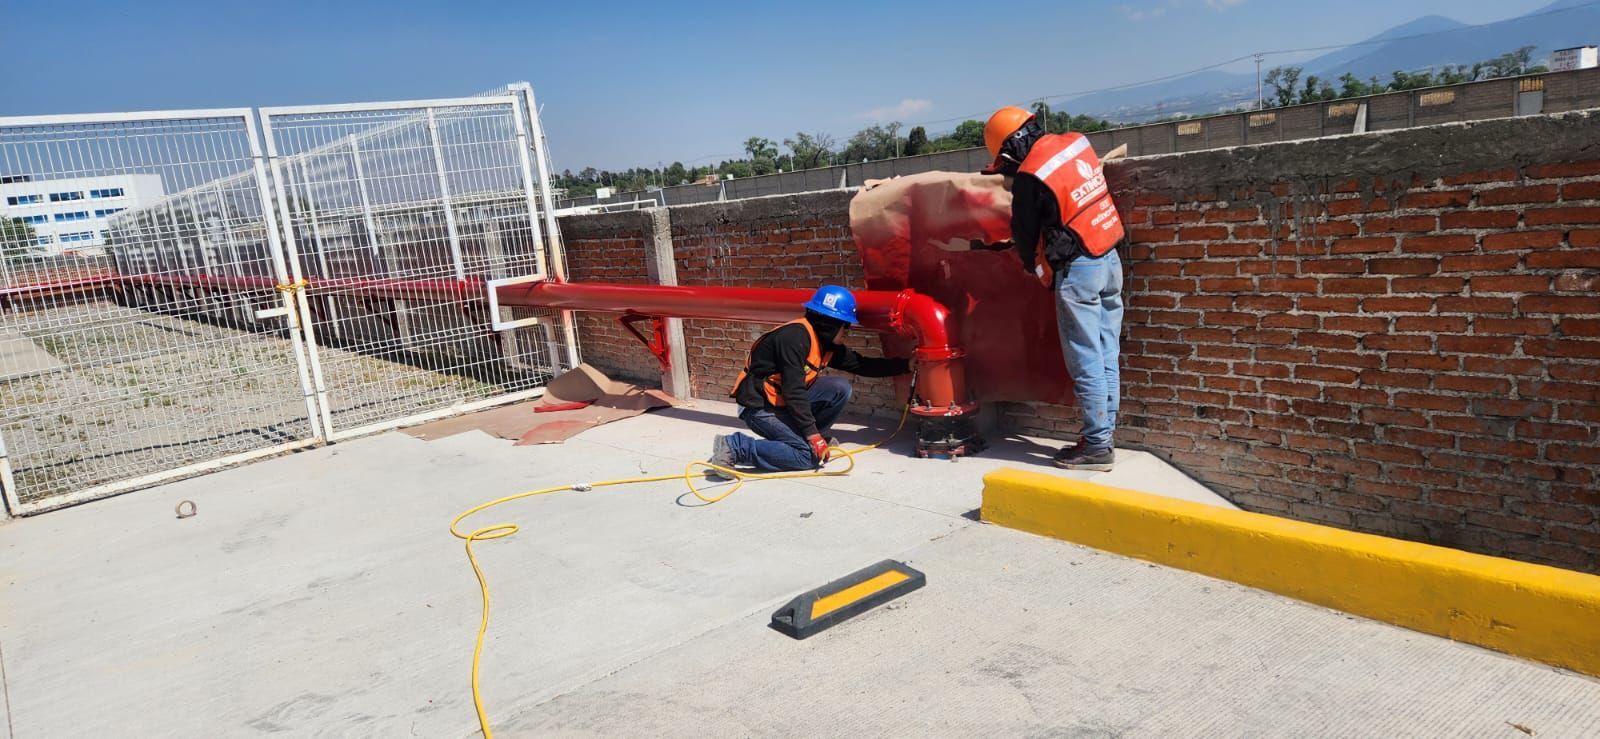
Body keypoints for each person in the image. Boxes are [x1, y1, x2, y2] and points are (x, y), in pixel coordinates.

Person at [981, 106, 1128, 471]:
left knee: (1086, 358)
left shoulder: (1031, 175)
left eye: (1004, 160)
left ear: (1012, 147)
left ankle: (1097, 447)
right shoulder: (1078, 142)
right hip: (1110, 259)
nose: (1008, 169)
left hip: (1079, 270)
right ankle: (1103, 436)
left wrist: (1034, 267)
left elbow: (1025, 233)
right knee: (1107, 355)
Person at [707, 285, 911, 476]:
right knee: (806, 457)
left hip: (783, 402)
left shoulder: (826, 343)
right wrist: (813, 436)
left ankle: (802, 439)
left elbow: (862, 365)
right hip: (759, 407)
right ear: (830, 324)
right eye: (845, 326)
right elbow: (793, 391)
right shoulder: (794, 338)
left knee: (840, 388)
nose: (847, 331)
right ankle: (735, 447)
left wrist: (906, 365)